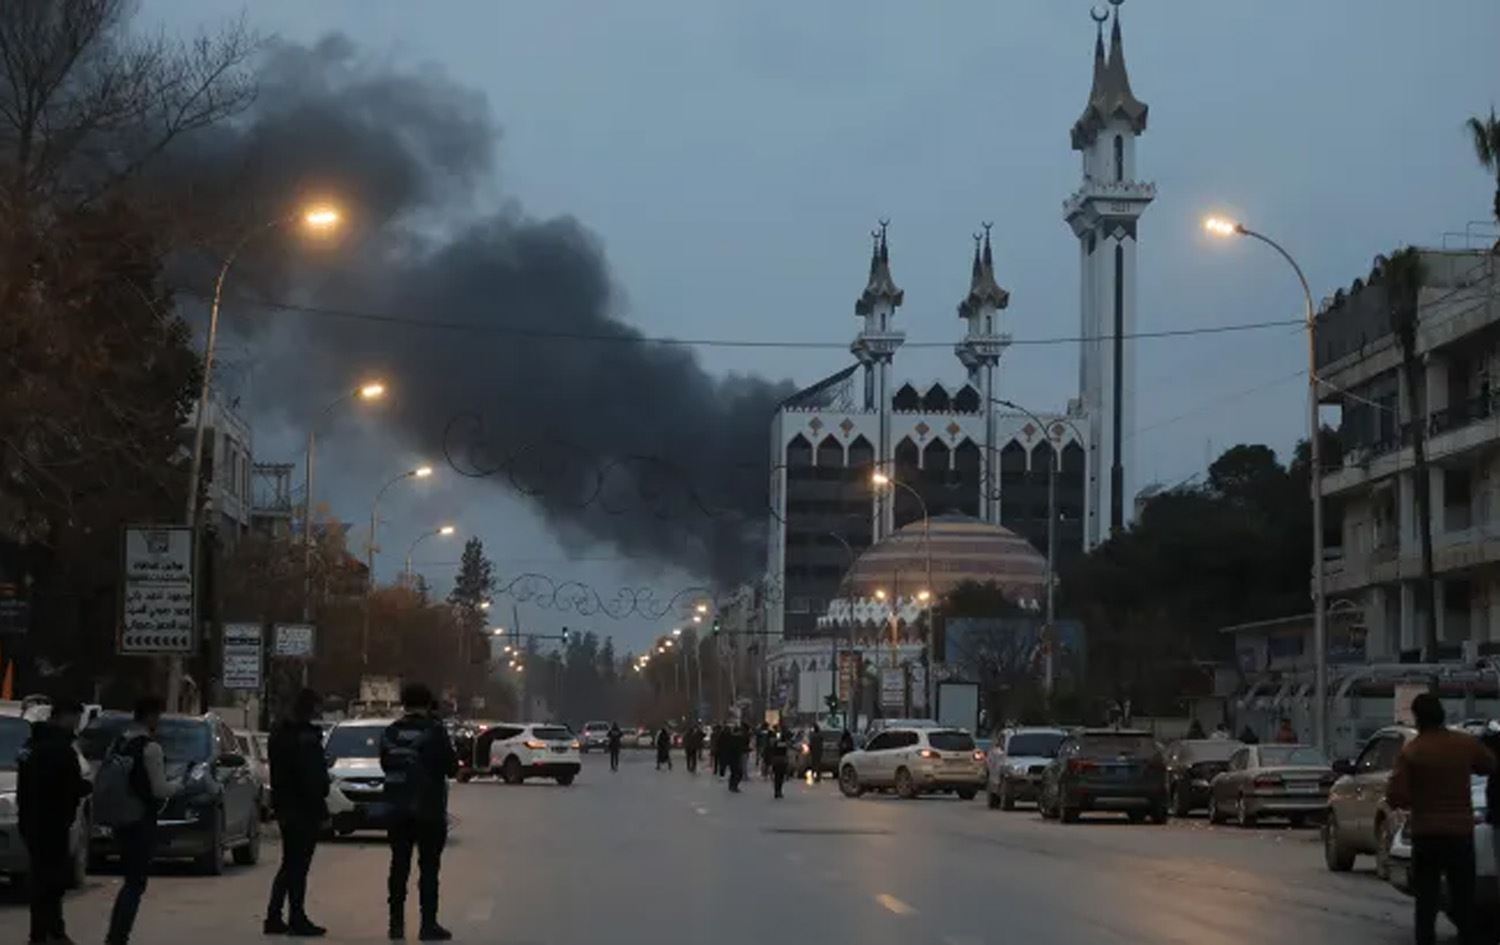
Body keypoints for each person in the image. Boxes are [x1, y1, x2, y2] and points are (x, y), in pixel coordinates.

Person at [1388, 693, 1496, 945]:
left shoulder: (1413, 751)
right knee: (1463, 897)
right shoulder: (1464, 744)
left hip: (1426, 834)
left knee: (1426, 901)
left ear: (1417, 718)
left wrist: (1416, 798)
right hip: (1460, 833)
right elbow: (1489, 765)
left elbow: (1396, 795)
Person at [381, 683, 459, 941]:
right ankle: (428, 925)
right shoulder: (435, 731)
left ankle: (396, 924)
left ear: (403, 703)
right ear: (428, 703)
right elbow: (451, 767)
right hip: (429, 809)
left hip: (397, 808)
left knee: (398, 866)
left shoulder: (391, 732)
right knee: (429, 869)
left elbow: (385, 764)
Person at [105, 695, 180, 945]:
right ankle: (118, 937)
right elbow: (159, 789)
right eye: (158, 716)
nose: (159, 721)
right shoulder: (150, 748)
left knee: (130, 880)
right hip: (140, 820)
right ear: (150, 716)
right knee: (135, 883)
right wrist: (179, 785)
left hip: (119, 818)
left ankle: (116, 935)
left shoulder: (120, 742)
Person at [17, 698, 90, 945]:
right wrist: (85, 787)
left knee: (43, 880)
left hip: (32, 821)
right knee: (50, 883)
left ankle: (47, 932)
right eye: (75, 719)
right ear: (64, 717)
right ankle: (47, 934)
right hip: (51, 823)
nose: (76, 725)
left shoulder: (31, 745)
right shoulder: (58, 748)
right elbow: (65, 786)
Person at [265, 688, 331, 937]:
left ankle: (274, 915)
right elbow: (312, 777)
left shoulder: (279, 733)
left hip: (285, 805)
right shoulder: (305, 737)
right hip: (304, 808)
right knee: (299, 865)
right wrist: (322, 809)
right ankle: (296, 917)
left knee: (290, 863)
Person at [768, 726, 791, 799]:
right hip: (780, 759)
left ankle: (778, 790)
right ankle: (778, 790)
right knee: (779, 776)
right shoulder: (777, 739)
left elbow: (772, 747)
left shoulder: (776, 739)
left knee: (778, 776)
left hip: (778, 759)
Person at [726, 724, 745, 793]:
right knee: (738, 773)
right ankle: (734, 786)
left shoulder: (730, 738)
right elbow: (740, 748)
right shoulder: (739, 739)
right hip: (736, 758)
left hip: (731, 758)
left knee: (733, 772)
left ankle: (731, 785)